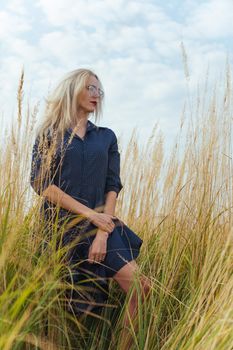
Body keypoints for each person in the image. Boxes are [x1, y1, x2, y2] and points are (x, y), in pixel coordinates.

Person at [30, 68, 151, 346]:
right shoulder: (49, 134)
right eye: (91, 88)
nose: (97, 95)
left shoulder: (106, 137)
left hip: (104, 227)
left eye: (100, 90)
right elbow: (41, 184)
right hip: (62, 228)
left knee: (140, 287)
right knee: (66, 305)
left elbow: (113, 184)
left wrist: (102, 229)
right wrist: (89, 215)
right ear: (73, 90)